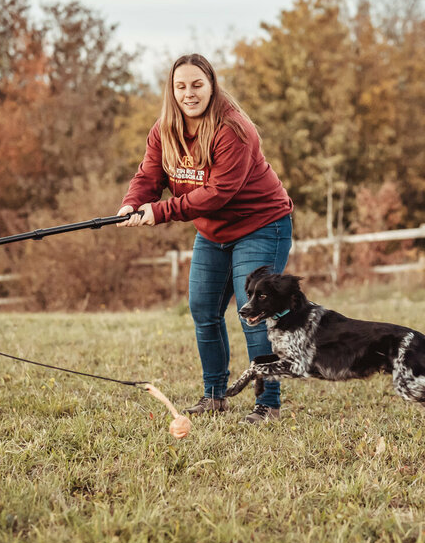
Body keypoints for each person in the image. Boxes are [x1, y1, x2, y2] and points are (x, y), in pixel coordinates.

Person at [117, 53, 293, 423]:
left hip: (261, 225)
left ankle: (268, 404)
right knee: (203, 310)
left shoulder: (234, 129)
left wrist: (160, 212)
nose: (189, 93)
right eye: (180, 86)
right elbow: (150, 175)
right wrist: (133, 203)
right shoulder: (164, 128)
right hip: (213, 232)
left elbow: (217, 193)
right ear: (171, 89)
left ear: (212, 85)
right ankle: (215, 396)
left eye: (197, 84)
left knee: (253, 312)